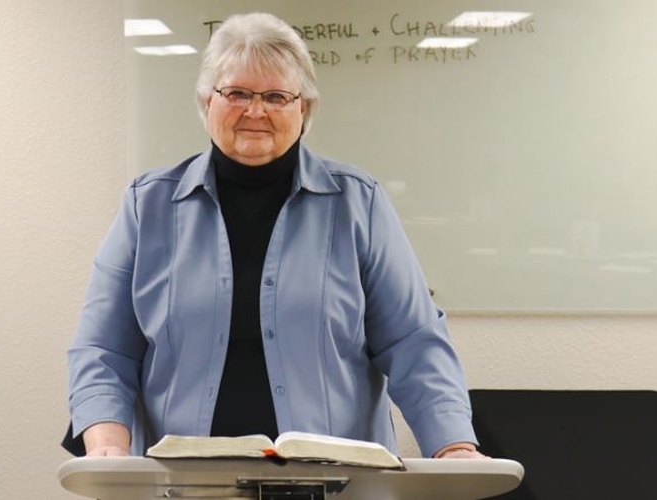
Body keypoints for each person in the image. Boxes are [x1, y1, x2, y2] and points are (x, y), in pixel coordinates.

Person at [64, 12, 484, 460]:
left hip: (336, 479)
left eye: (276, 96)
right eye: (237, 93)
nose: (255, 111)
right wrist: (107, 445)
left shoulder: (358, 203)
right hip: (182, 481)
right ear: (207, 101)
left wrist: (454, 447)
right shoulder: (146, 205)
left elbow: (413, 341)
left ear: (303, 109)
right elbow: (104, 349)